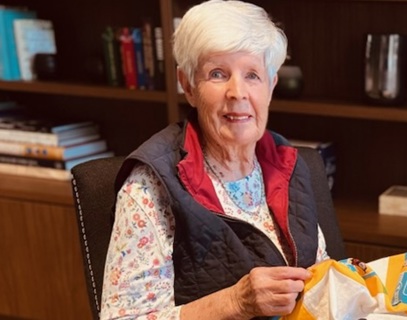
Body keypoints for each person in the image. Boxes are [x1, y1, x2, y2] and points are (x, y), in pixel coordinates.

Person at [100, 1, 331, 318]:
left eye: (252, 75)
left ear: (271, 86)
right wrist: (236, 302)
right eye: (218, 74)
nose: (238, 92)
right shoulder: (150, 186)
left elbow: (321, 276)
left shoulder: (287, 162)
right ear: (188, 86)